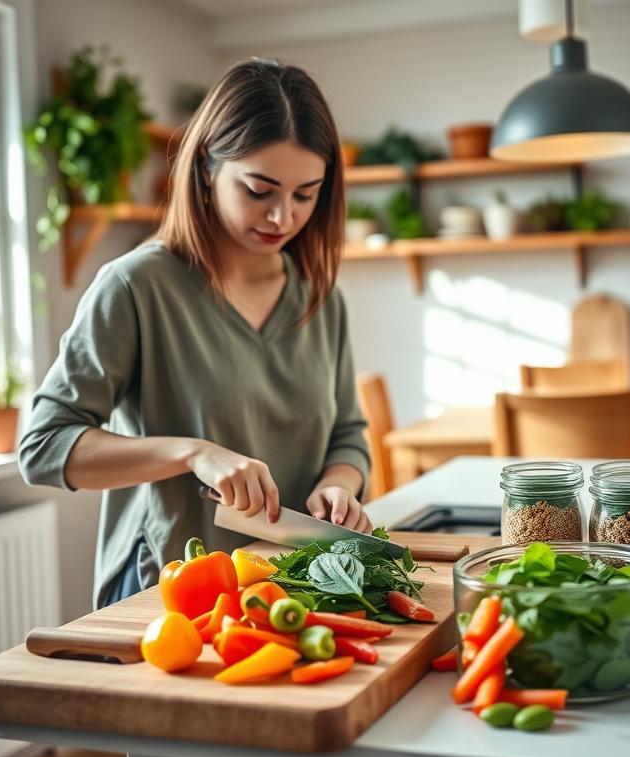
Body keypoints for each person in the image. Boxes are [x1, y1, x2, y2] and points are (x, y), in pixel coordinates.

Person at [19, 59, 372, 609]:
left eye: (306, 194)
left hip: (292, 588)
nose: (283, 216)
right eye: (260, 189)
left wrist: (340, 486)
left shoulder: (321, 298)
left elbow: (348, 433)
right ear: (207, 167)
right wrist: (191, 453)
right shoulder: (136, 286)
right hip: (169, 592)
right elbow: (43, 447)